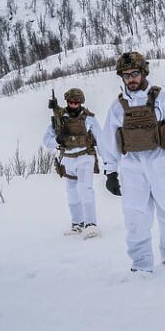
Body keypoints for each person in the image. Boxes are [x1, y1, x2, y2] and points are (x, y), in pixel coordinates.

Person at [102, 52, 165, 274]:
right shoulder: (117, 107)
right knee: (135, 217)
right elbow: (108, 141)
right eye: (126, 75)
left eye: (135, 73)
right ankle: (141, 264)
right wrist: (110, 172)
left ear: (143, 72)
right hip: (132, 168)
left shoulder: (162, 99)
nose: (131, 79)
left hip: (162, 163)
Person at [44, 88, 105, 239]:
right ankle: (77, 224)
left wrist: (109, 163)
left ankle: (91, 225)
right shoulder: (59, 119)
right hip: (68, 159)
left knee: (85, 189)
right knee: (72, 193)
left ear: (81, 102)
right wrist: (58, 139)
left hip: (85, 157)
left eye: (76, 102)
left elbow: (101, 139)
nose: (73, 105)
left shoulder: (88, 118)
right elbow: (46, 141)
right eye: (71, 102)